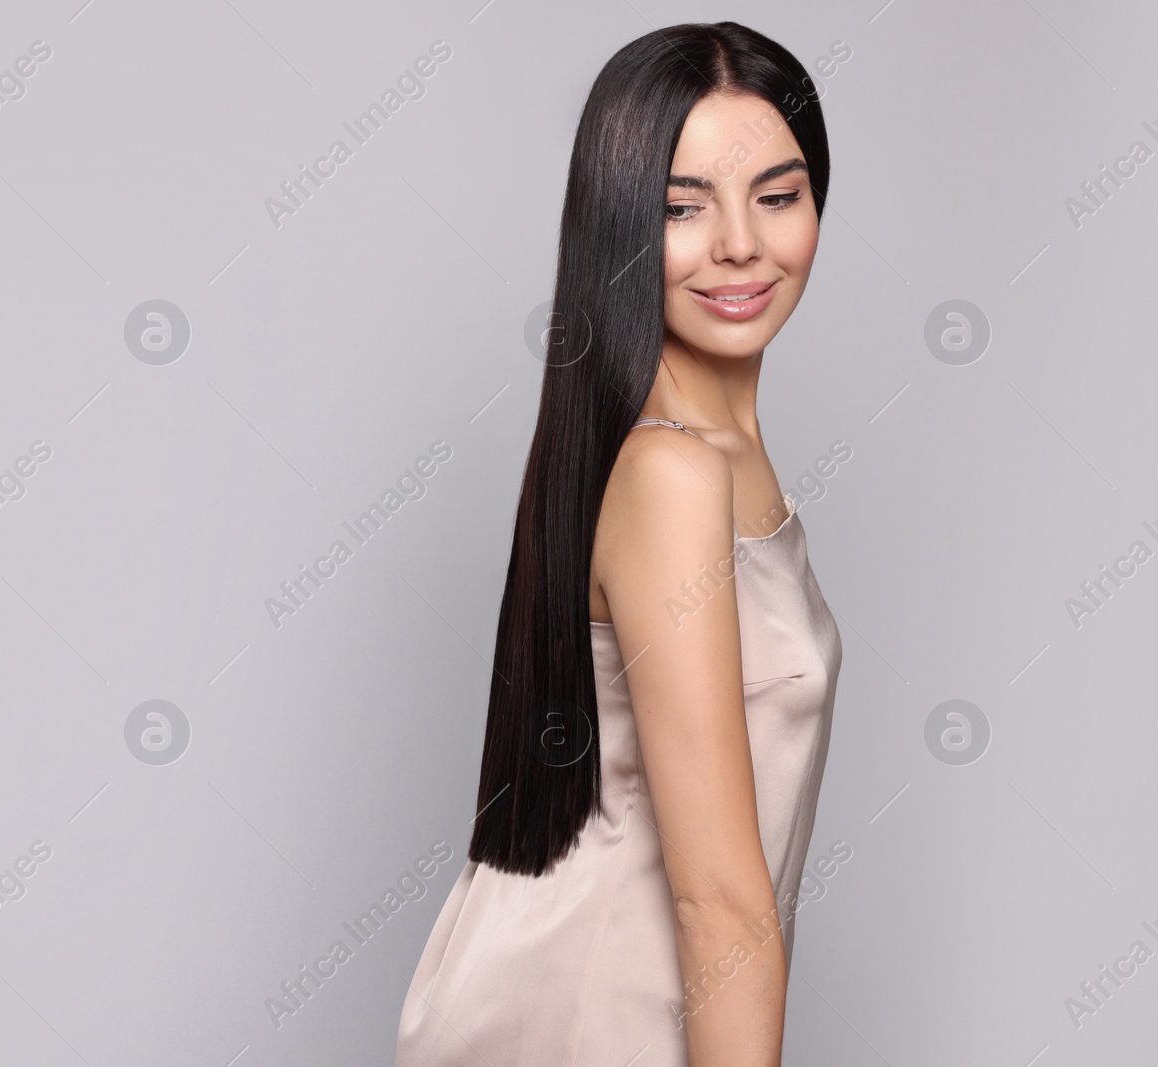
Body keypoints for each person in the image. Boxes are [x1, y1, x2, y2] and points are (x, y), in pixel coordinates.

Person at [394, 21, 843, 1067]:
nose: (739, 242)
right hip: (583, 1013)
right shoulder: (669, 472)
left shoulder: (719, 451)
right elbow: (721, 902)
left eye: (776, 195)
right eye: (681, 208)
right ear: (619, 229)